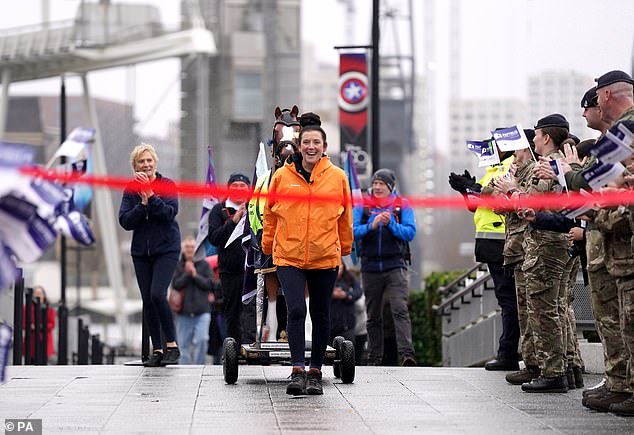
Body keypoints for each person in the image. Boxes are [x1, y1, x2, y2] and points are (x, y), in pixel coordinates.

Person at [262, 122, 353, 396]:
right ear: (299, 146)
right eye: (306, 143)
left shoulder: (337, 177)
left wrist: (345, 248)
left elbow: (345, 216)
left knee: (321, 312)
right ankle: (298, 369)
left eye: (316, 143)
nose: (311, 147)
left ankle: (315, 371)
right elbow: (270, 214)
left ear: (324, 147)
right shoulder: (281, 176)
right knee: (297, 310)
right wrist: (267, 246)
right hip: (288, 255)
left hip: (324, 256)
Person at [449, 145, 520, 371]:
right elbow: (477, 204)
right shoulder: (493, 168)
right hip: (490, 241)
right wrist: (467, 190)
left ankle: (507, 353)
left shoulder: (510, 165)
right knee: (506, 299)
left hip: (501, 239)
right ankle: (507, 352)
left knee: (509, 300)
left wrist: (474, 188)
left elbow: (497, 199)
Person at [119, 143, 181, 367]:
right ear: (134, 166)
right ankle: (157, 349)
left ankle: (171, 344)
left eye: (149, 161)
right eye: (141, 162)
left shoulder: (167, 185)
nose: (145, 165)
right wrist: (142, 205)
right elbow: (125, 221)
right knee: (148, 300)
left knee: (157, 294)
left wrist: (152, 197)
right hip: (141, 252)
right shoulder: (130, 190)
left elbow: (169, 213)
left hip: (167, 248)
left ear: (155, 162)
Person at [353, 168, 417, 367]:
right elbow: (352, 231)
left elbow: (410, 232)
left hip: (395, 265)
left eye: (382, 184)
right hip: (369, 266)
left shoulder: (402, 205)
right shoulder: (363, 205)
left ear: (391, 187)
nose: (377, 187)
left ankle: (407, 355)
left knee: (400, 309)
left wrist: (391, 225)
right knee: (373, 314)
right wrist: (372, 225)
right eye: (375, 183)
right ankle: (374, 357)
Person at [207, 172, 255, 344]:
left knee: (251, 310)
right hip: (229, 271)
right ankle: (234, 349)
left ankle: (251, 348)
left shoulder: (255, 209)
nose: (239, 189)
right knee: (232, 311)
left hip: (252, 269)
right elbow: (214, 238)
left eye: (243, 186)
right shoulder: (218, 210)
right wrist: (233, 221)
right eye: (235, 186)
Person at [171, 236, 214, 365]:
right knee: (183, 345)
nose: (190, 250)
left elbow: (210, 284)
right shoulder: (178, 266)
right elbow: (176, 284)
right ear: (183, 250)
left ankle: (199, 368)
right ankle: (185, 372)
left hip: (202, 311)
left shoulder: (204, 265)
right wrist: (187, 274)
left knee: (202, 340)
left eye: (192, 247)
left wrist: (195, 275)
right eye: (187, 247)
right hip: (183, 312)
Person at [329, 260, 362, 344]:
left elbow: (358, 292)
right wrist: (331, 294)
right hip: (329, 326)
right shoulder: (326, 279)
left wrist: (346, 295)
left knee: (348, 352)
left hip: (347, 325)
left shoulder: (350, 278)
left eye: (340, 266)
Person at [23, 286, 56, 363]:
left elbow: (52, 324)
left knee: (43, 362)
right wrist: (30, 326)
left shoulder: (49, 308)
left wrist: (39, 326)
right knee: (30, 362)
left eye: (40, 293)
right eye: (36, 293)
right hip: (31, 341)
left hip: (44, 340)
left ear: (44, 295)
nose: (38, 295)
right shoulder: (26, 308)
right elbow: (23, 323)